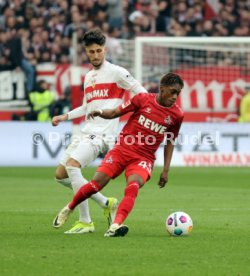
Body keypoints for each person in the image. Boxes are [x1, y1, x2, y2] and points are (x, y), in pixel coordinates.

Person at [53, 72, 184, 237]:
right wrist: (100, 112)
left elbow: (170, 141)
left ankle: (115, 226)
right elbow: (115, 112)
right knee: (97, 183)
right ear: (162, 88)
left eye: (178, 93)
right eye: (172, 91)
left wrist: (166, 170)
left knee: (133, 186)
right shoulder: (142, 99)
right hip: (122, 149)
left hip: (144, 158)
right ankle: (69, 208)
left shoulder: (177, 115)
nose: (175, 96)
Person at [51, 28, 147, 234]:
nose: (95, 55)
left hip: (103, 134)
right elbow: (88, 107)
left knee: (73, 166)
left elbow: (143, 95)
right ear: (86, 52)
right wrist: (64, 116)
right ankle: (105, 203)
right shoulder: (89, 77)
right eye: (91, 52)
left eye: (98, 51)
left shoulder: (117, 72)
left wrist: (127, 111)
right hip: (86, 131)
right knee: (60, 175)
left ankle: (85, 221)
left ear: (105, 50)